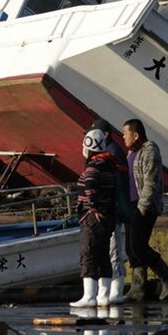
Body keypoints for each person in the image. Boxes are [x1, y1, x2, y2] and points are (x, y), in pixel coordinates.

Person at [122, 118, 168, 301]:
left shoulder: (150, 151)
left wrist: (143, 206)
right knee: (131, 248)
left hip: (144, 206)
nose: (123, 137)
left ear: (136, 135)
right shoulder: (131, 152)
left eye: (126, 134)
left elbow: (151, 181)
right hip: (130, 205)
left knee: (139, 245)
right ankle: (138, 287)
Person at [69, 129, 119, 308]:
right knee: (104, 255)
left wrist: (93, 206)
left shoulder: (93, 167)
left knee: (88, 254)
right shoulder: (110, 165)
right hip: (109, 217)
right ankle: (103, 295)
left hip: (93, 218)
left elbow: (89, 184)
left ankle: (89, 295)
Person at [91, 118, 130, 305]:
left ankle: (116, 291)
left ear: (105, 135)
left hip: (111, 209)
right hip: (109, 208)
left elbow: (117, 184)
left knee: (113, 249)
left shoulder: (112, 153)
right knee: (109, 249)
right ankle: (110, 291)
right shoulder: (111, 152)